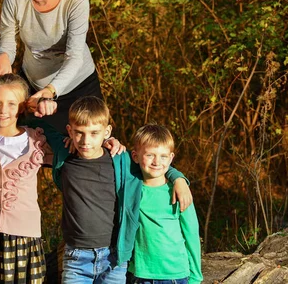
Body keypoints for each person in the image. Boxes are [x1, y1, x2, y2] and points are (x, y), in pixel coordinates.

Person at [52, 96, 193, 284]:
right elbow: (33, 124)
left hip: (114, 258)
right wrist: (38, 102)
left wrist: (178, 178)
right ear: (70, 131)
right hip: (77, 258)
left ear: (107, 131)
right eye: (79, 133)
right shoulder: (65, 155)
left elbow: (152, 163)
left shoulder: (120, 160)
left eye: (94, 133)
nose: (86, 141)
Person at [0, 0, 101, 133]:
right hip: (33, 83)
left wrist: (50, 90)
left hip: (77, 86)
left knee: (81, 148)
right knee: (31, 145)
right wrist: (2, 56)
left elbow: (74, 56)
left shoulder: (76, 2)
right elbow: (7, 40)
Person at [0, 73, 54, 283]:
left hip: (25, 237)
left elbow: (77, 140)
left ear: (22, 106)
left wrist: (109, 140)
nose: (3, 110)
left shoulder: (38, 141)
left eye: (11, 103)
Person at [128, 124, 203, 284]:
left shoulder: (179, 192)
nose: (156, 161)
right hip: (141, 275)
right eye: (150, 155)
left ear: (171, 158)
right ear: (135, 156)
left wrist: (196, 276)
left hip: (175, 275)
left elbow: (191, 233)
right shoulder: (131, 189)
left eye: (163, 156)